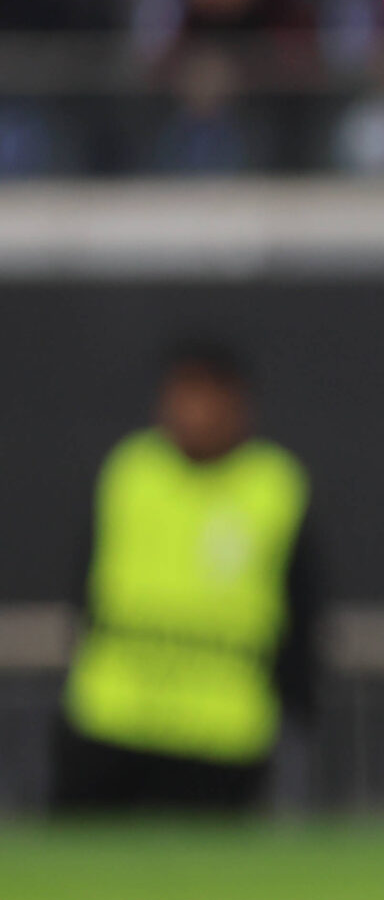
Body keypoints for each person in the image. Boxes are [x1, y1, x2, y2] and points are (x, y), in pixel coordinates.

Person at [54, 341, 319, 812]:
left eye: (210, 396)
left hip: (222, 738)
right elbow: (85, 585)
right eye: (184, 394)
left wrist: (296, 720)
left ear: (241, 404)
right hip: (110, 722)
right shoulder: (131, 470)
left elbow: (303, 616)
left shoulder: (274, 486)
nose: (196, 412)